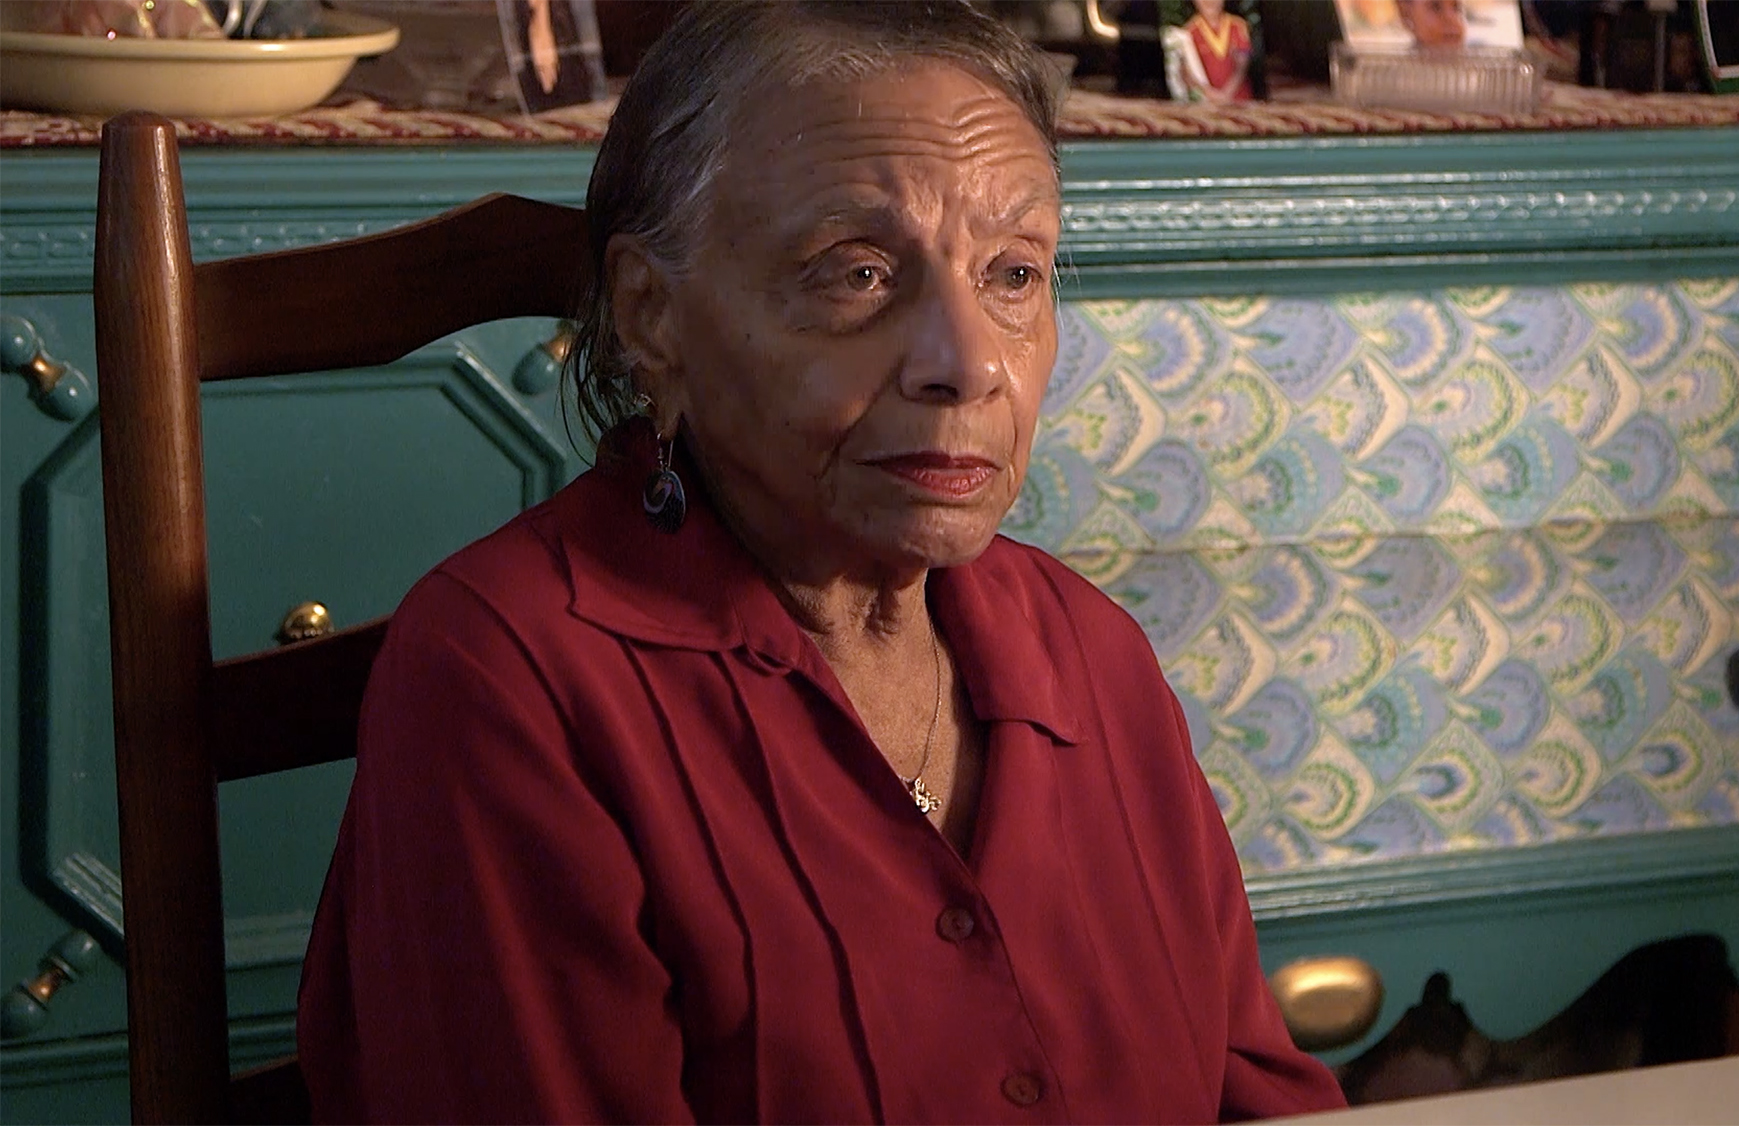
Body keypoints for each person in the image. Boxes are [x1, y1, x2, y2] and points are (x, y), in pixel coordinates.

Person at [297, 3, 1348, 1122]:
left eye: (1012, 275)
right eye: (854, 274)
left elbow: (1256, 1091)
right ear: (653, 317)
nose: (967, 364)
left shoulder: (1088, 651)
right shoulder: (513, 679)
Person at [1166, 0, 1256, 102]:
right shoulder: (1189, 32)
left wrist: (1226, 94)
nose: (1209, 2)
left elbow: (1242, 66)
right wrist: (1211, 94)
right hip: (1208, 103)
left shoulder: (1238, 25)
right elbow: (1187, 74)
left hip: (1241, 100)